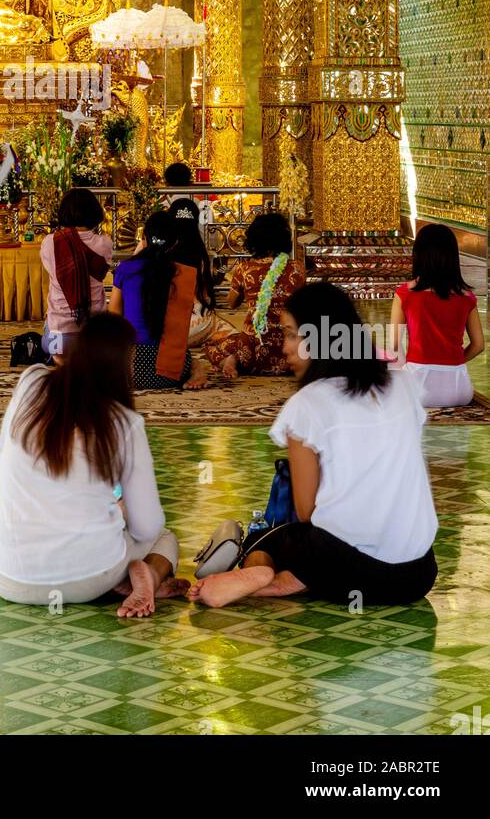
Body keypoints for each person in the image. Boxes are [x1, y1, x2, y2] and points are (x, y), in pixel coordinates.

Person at [188, 283, 438, 608]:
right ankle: (295, 579)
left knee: (266, 539)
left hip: (345, 566)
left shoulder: (307, 403)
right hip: (416, 574)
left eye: (293, 335)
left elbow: (307, 511)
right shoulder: (404, 384)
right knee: (339, 540)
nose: (285, 349)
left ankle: (268, 580)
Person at [0, 313, 187, 617]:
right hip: (91, 578)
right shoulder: (125, 423)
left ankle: (121, 574)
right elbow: (147, 526)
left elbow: (4, 449)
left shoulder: (30, 383)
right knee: (165, 537)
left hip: (9, 577)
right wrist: (120, 512)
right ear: (121, 365)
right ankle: (150, 577)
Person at [109, 210, 213, 391]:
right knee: (194, 360)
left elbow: (114, 315)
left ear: (144, 237)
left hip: (131, 372)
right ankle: (196, 371)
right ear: (175, 243)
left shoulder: (126, 268)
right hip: (172, 372)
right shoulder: (185, 273)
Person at [390, 223, 484, 408]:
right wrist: (452, 363)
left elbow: (394, 347)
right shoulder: (467, 298)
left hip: (419, 390)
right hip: (460, 391)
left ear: (418, 256)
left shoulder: (404, 294)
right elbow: (479, 345)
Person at [206, 210, 305, 378]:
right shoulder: (297, 269)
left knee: (212, 345)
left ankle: (231, 359)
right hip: (288, 351)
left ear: (253, 240)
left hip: (251, 352)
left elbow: (232, 303)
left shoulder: (245, 269)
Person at [39, 187, 113, 358]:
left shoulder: (51, 243)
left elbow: (53, 272)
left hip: (59, 335)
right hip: (95, 336)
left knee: (49, 322)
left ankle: (58, 358)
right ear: (95, 212)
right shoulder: (104, 243)